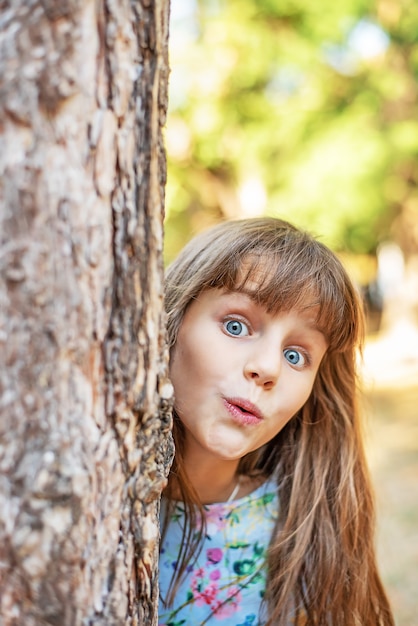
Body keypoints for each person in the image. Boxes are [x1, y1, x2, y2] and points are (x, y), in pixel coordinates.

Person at [158, 217, 394, 626]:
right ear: (172, 324)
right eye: (236, 326)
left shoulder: (303, 535)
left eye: (295, 355)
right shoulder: (87, 493)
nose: (267, 368)